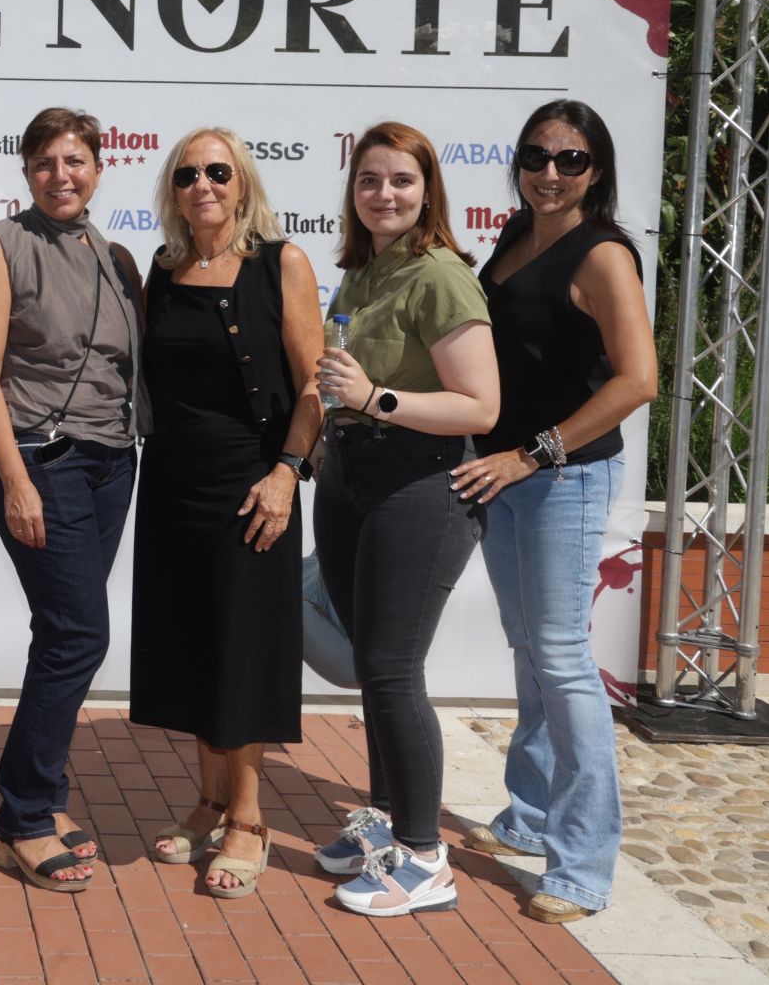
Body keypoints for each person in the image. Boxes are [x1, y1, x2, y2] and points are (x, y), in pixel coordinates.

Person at [448, 100, 656, 924]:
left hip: (561, 482)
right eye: (537, 156)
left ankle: (582, 864)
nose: (550, 172)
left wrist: (536, 452)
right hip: (504, 477)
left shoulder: (603, 254)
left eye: (570, 160)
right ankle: (530, 816)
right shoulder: (514, 233)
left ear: (595, 170)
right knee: (531, 650)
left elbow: (636, 381)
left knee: (564, 663)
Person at [312, 121, 499, 917]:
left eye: (400, 181)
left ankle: (425, 859)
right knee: (372, 666)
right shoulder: (363, 271)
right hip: (353, 480)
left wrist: (373, 401)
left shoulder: (440, 276)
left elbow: (481, 405)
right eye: (369, 181)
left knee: (393, 669)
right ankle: (387, 825)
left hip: (418, 486)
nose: (383, 194)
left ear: (428, 191)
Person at [130, 128, 323, 899]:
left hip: (253, 480)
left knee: (243, 650)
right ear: (172, 191)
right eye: (188, 174)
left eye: (218, 171)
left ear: (242, 184)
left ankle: (249, 818)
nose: (203, 184)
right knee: (193, 647)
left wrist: (287, 473)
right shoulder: (165, 268)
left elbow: (313, 386)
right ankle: (209, 801)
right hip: (174, 479)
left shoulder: (284, 263)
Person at [0, 108, 142, 893]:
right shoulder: (1, 246)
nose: (61, 176)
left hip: (112, 464)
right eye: (44, 163)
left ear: (100, 168)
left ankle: (43, 794)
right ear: (26, 173)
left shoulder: (118, 256)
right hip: (44, 461)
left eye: (75, 161)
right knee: (78, 635)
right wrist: (17, 480)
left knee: (62, 633)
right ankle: (24, 815)